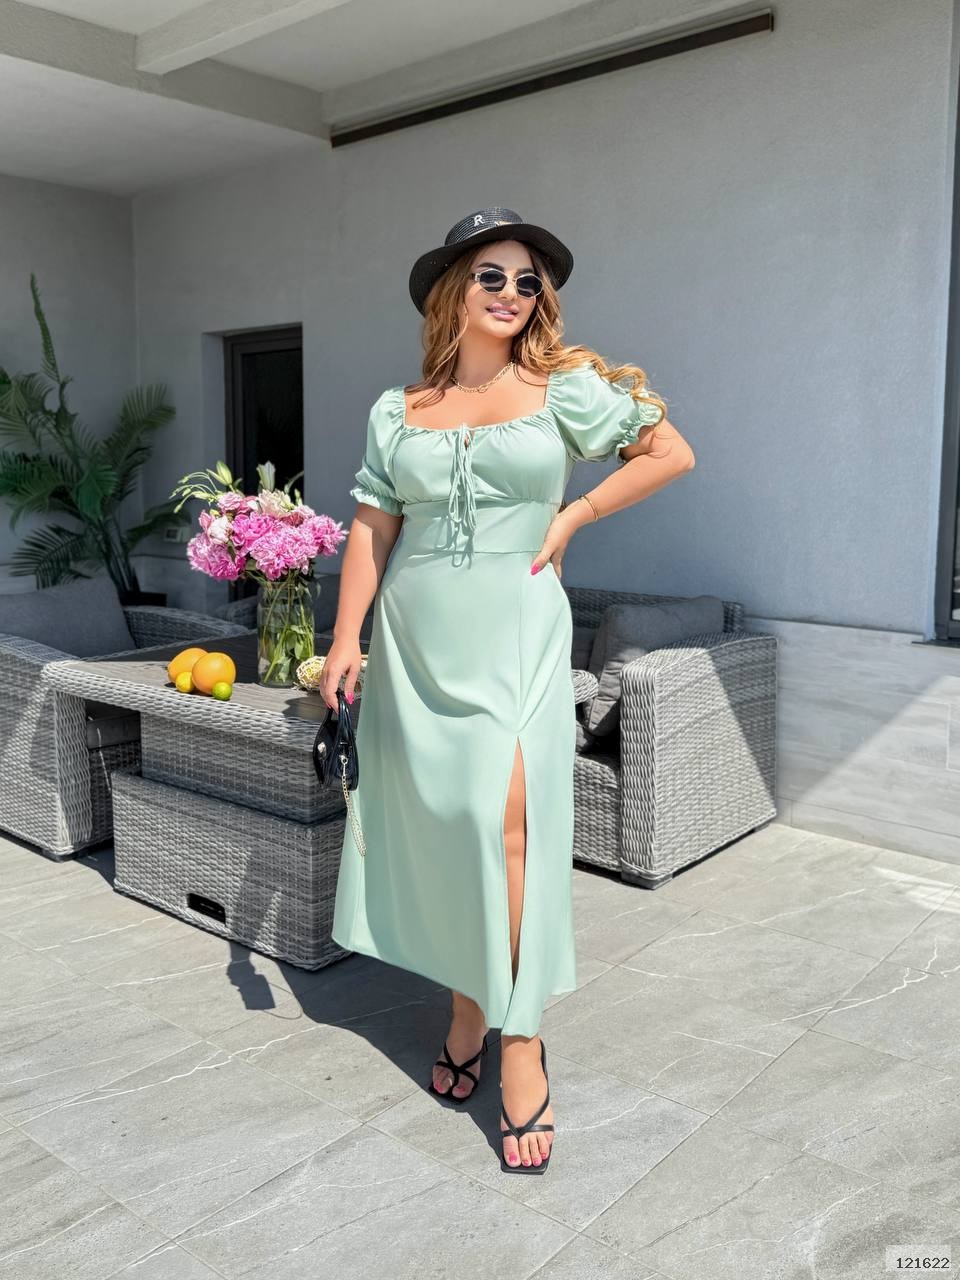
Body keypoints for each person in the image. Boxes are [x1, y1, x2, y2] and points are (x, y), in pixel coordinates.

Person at [321, 206, 695, 1174]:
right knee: (450, 827)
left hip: (518, 630)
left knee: (514, 825)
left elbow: (669, 453)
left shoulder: (564, 387)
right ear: (452, 290)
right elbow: (372, 527)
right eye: (492, 274)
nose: (512, 293)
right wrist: (345, 639)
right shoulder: (398, 408)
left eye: (528, 281)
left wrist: (574, 514)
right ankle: (467, 1003)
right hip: (416, 636)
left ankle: (519, 1035)